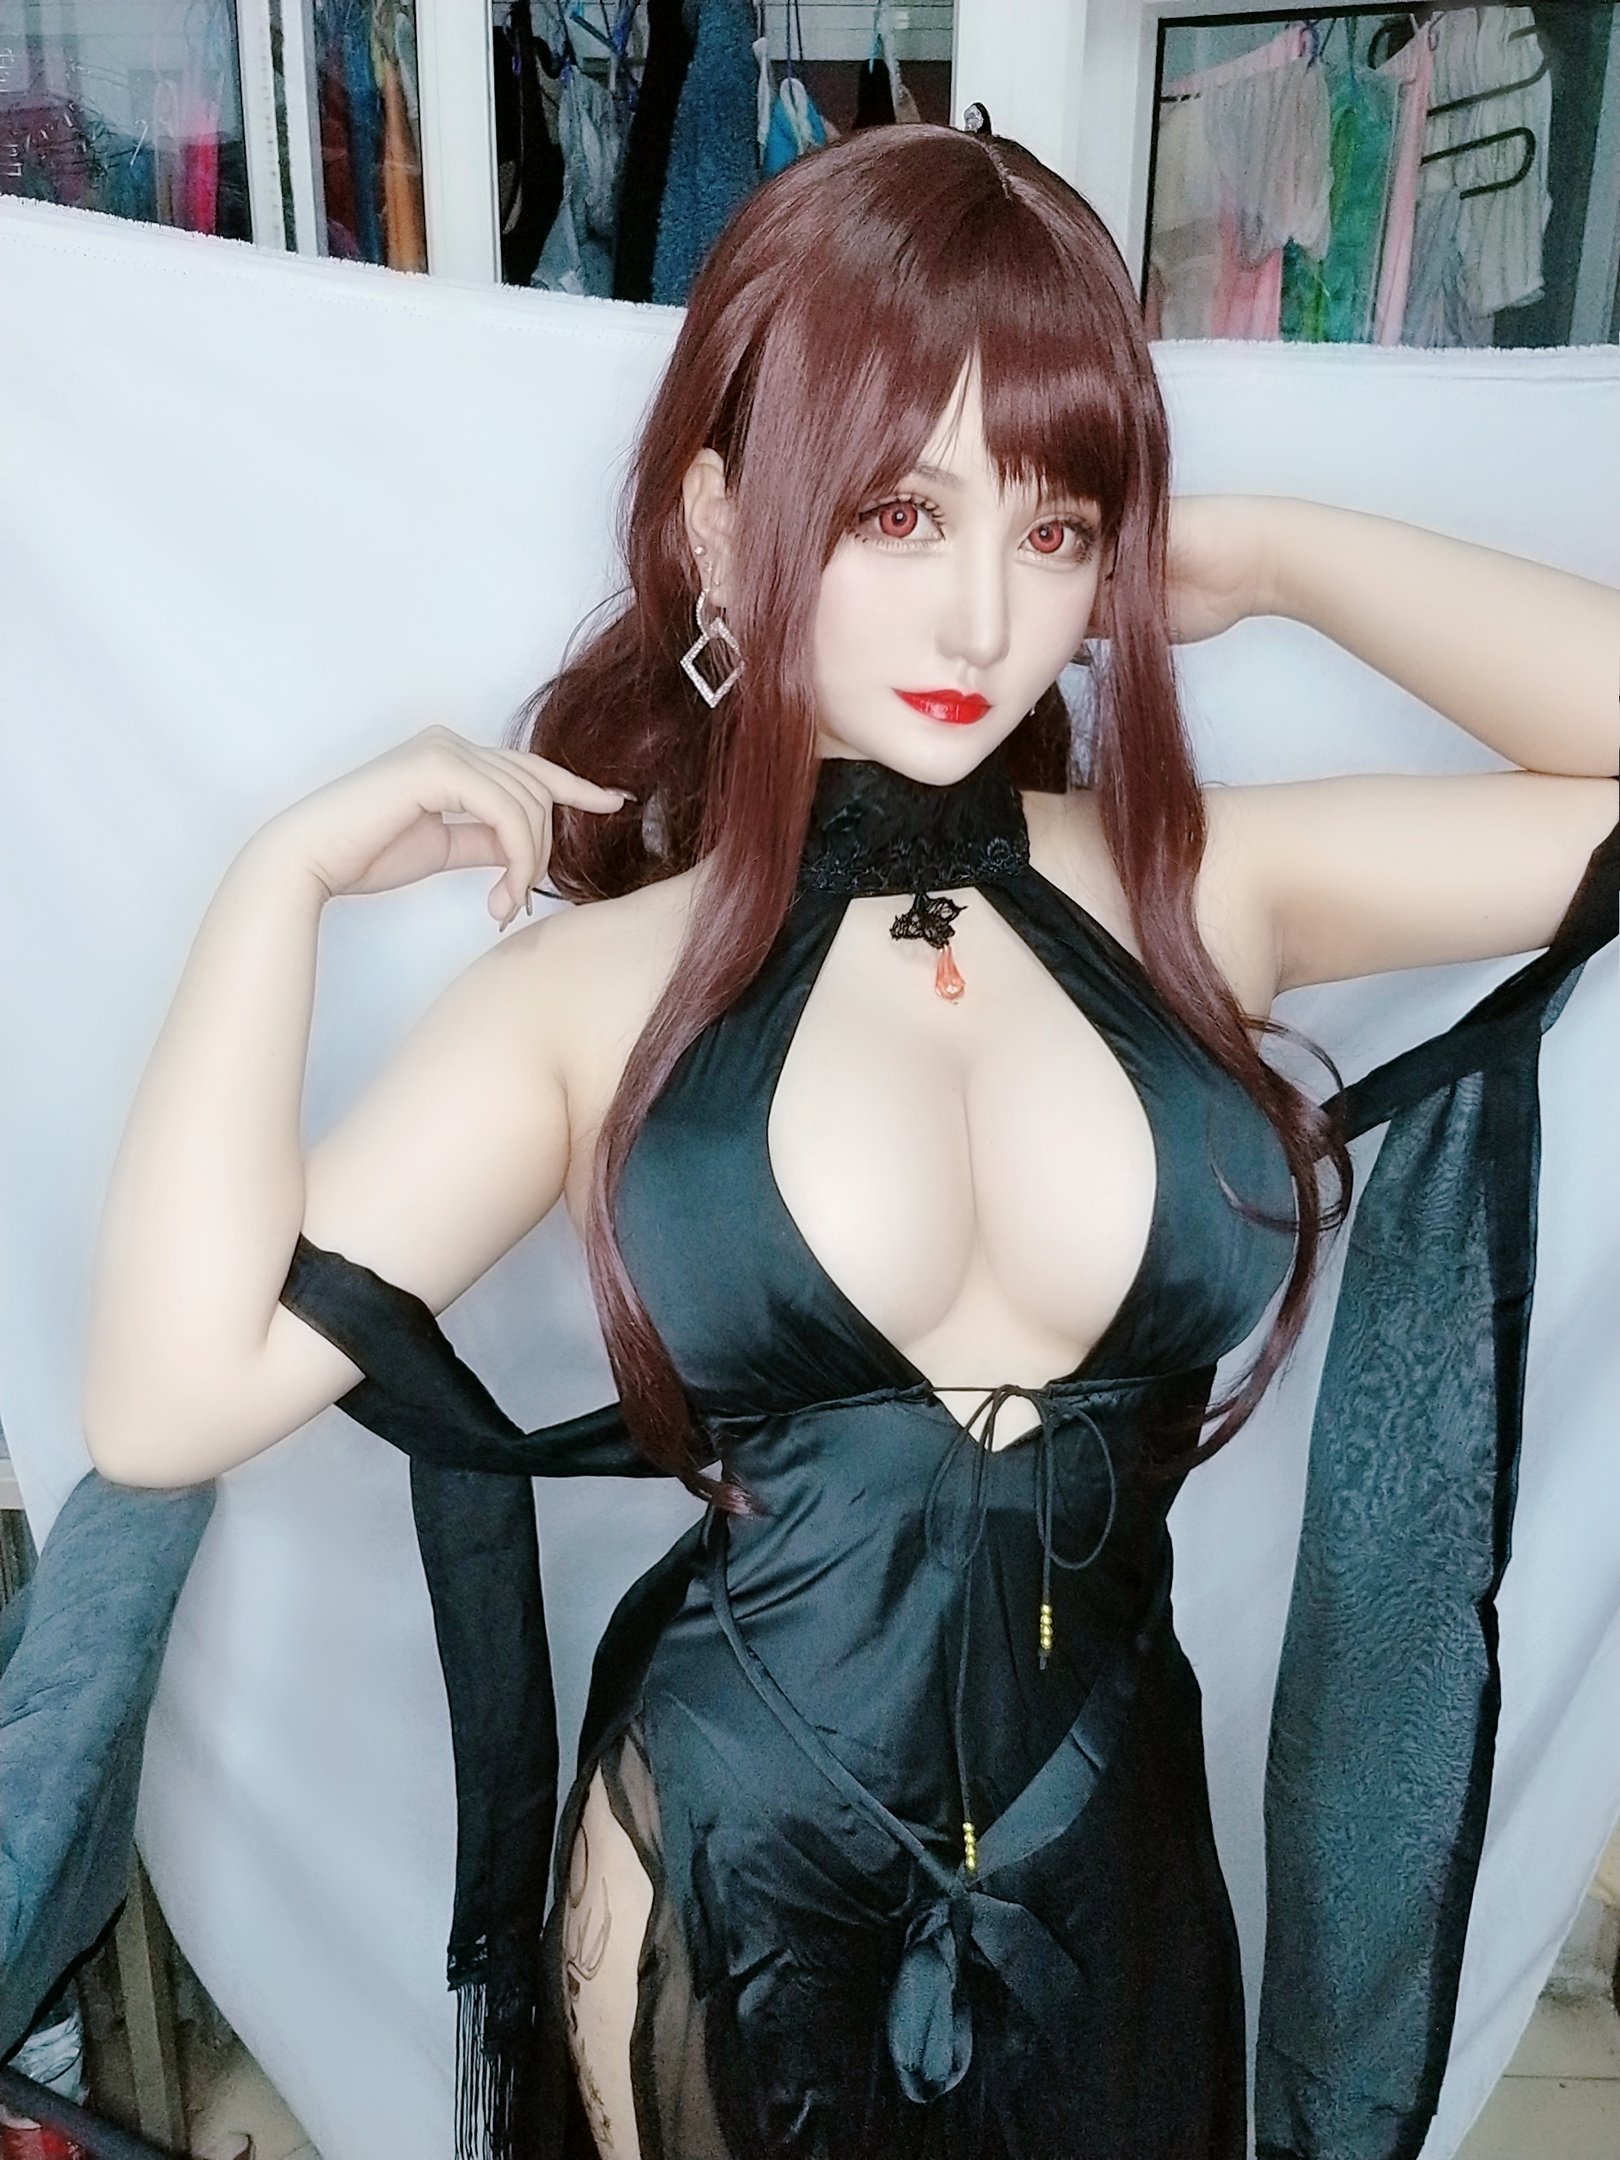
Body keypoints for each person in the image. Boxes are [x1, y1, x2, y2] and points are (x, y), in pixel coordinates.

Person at [81, 125, 1616, 2160]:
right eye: (901, 511)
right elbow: (165, 1406)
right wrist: (273, 884)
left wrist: (1268, 558)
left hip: (1119, 1852)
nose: (982, 614)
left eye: (1056, 526)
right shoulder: (590, 997)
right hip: (736, 1869)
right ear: (724, 525)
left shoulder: (1205, 891)